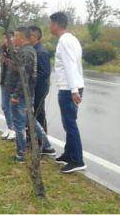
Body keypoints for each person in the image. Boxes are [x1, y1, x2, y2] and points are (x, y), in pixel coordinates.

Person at [7, 27, 56, 163]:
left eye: (15, 36)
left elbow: (25, 76)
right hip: (24, 93)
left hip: (23, 94)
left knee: (19, 125)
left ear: (22, 38)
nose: (12, 39)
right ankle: (48, 146)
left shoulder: (27, 52)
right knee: (31, 121)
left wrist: (16, 95)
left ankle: (21, 155)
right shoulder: (24, 51)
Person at [49, 12, 86, 173]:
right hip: (75, 86)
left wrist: (73, 90)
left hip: (69, 88)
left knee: (70, 124)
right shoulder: (72, 39)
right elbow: (76, 65)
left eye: (51, 23)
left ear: (56, 24)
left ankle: (78, 160)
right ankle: (69, 154)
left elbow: (70, 66)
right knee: (68, 123)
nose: (49, 26)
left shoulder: (64, 41)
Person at [29, 26, 51, 135]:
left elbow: (44, 73)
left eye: (29, 35)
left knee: (39, 113)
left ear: (35, 36)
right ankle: (34, 137)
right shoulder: (33, 50)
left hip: (40, 88)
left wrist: (31, 80)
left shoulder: (41, 52)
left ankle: (42, 140)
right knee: (33, 113)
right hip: (34, 87)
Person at [0, 32, 15, 140]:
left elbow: (16, 66)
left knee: (12, 107)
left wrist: (7, 60)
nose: (5, 40)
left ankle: (14, 129)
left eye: (8, 38)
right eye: (4, 38)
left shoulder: (16, 51)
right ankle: (9, 127)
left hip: (13, 83)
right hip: (4, 81)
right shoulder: (3, 49)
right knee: (4, 106)